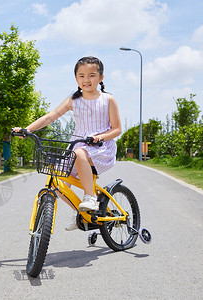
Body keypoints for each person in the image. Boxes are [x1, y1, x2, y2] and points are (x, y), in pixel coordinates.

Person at [13, 56, 122, 230]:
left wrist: (101, 137)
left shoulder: (108, 99)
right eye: (81, 76)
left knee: (80, 154)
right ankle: (82, 214)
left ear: (101, 78)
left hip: (101, 147)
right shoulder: (74, 100)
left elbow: (117, 129)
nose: (86, 80)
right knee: (57, 182)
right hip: (78, 145)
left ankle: (90, 197)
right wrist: (28, 130)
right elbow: (51, 116)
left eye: (92, 75)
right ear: (76, 78)